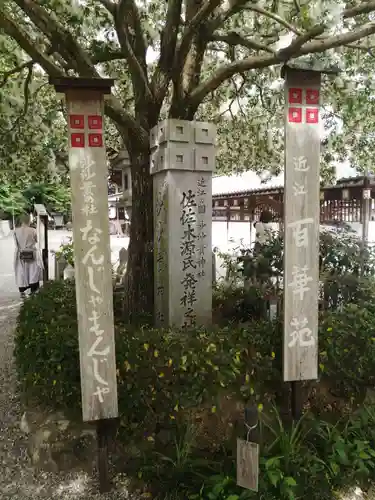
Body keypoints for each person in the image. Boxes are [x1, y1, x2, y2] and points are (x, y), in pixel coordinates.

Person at [14, 214, 43, 298]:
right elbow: (37, 240)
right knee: (33, 272)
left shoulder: (16, 231)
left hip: (21, 253)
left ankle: (22, 291)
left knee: (22, 272)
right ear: (28, 220)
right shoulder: (33, 230)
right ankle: (33, 290)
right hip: (32, 253)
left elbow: (16, 244)